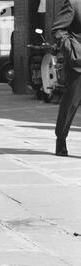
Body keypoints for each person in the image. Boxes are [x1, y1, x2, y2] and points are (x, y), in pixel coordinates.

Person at [52, 0, 81, 156]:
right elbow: (58, 29)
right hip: (78, 63)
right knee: (71, 104)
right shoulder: (74, 3)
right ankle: (61, 138)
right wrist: (71, 49)